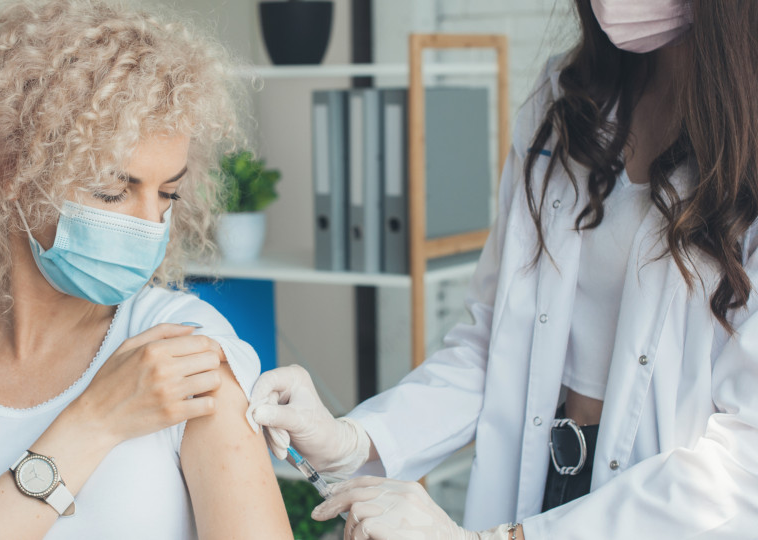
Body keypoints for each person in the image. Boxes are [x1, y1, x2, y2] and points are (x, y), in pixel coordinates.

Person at [249, 0, 758, 538]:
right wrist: (350, 440)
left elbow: (745, 463)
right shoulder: (565, 98)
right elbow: (493, 345)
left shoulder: (744, 144)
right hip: (539, 482)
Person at [0, 1, 293, 539]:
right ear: (12, 172)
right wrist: (92, 423)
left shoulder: (181, 348)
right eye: (112, 189)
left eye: (168, 192)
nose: (151, 223)